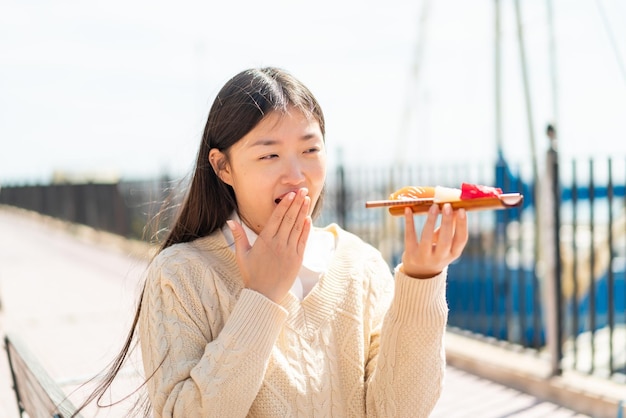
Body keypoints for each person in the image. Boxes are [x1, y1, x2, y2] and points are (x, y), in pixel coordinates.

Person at [75, 66, 468, 418]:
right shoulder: (181, 275)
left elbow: (398, 411)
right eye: (269, 156)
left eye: (310, 150)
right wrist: (262, 297)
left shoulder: (360, 265)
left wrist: (422, 277)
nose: (296, 175)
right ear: (222, 166)